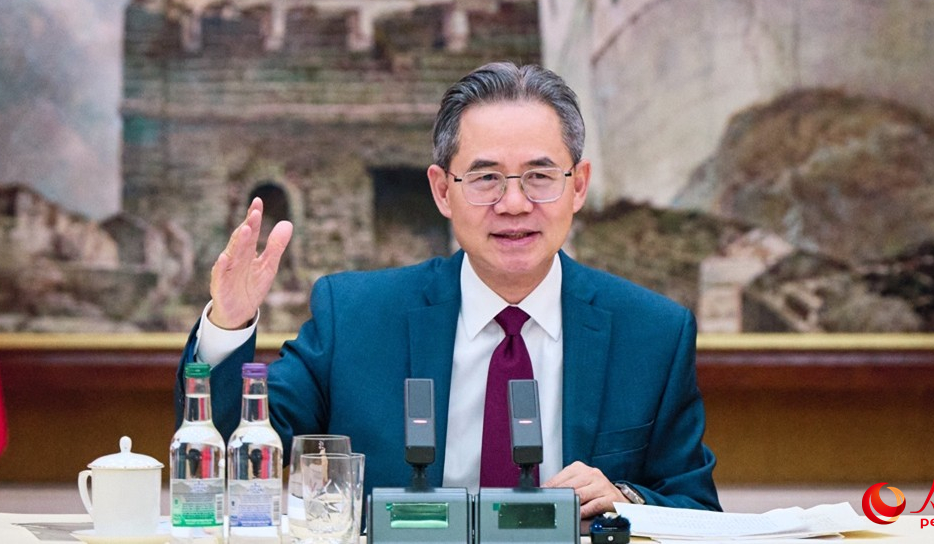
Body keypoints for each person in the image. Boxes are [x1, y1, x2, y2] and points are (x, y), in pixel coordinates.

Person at [176, 62, 720, 515]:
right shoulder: (358, 318)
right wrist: (228, 324)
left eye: (539, 176)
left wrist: (625, 500)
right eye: (485, 178)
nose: (513, 204)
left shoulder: (651, 333)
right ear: (442, 191)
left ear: (577, 186)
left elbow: (696, 508)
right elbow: (226, 447)